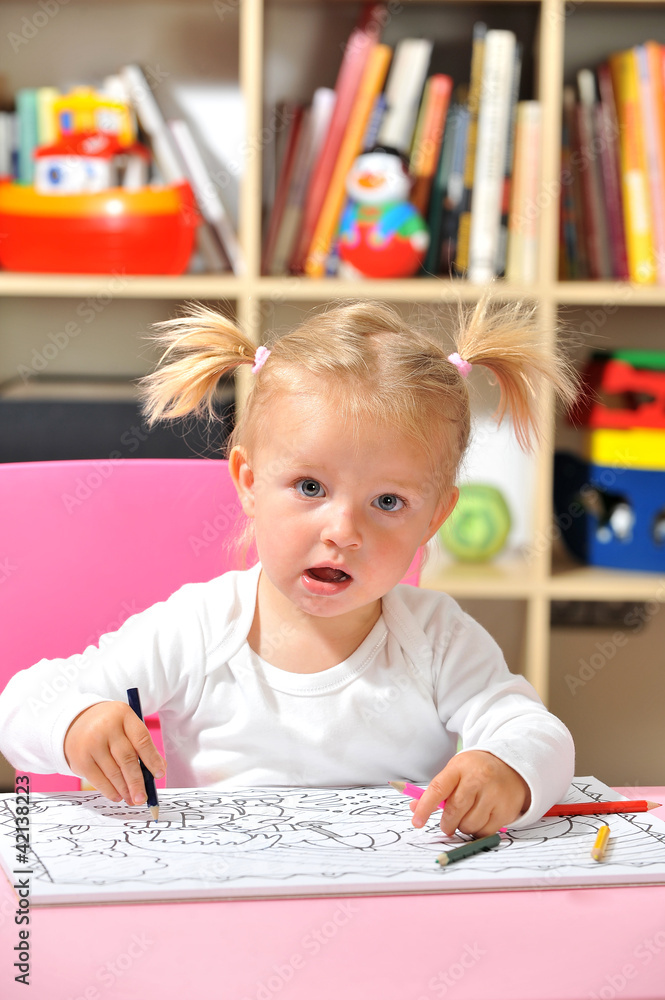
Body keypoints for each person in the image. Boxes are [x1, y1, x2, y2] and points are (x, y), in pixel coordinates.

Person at [0, 297, 577, 838]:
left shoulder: (436, 637)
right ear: (249, 483)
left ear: (435, 517)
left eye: (388, 502)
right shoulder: (199, 628)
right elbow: (23, 702)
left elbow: (535, 731)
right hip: (222, 903)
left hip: (389, 908)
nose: (343, 532)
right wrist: (76, 724)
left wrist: (505, 767)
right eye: (310, 487)